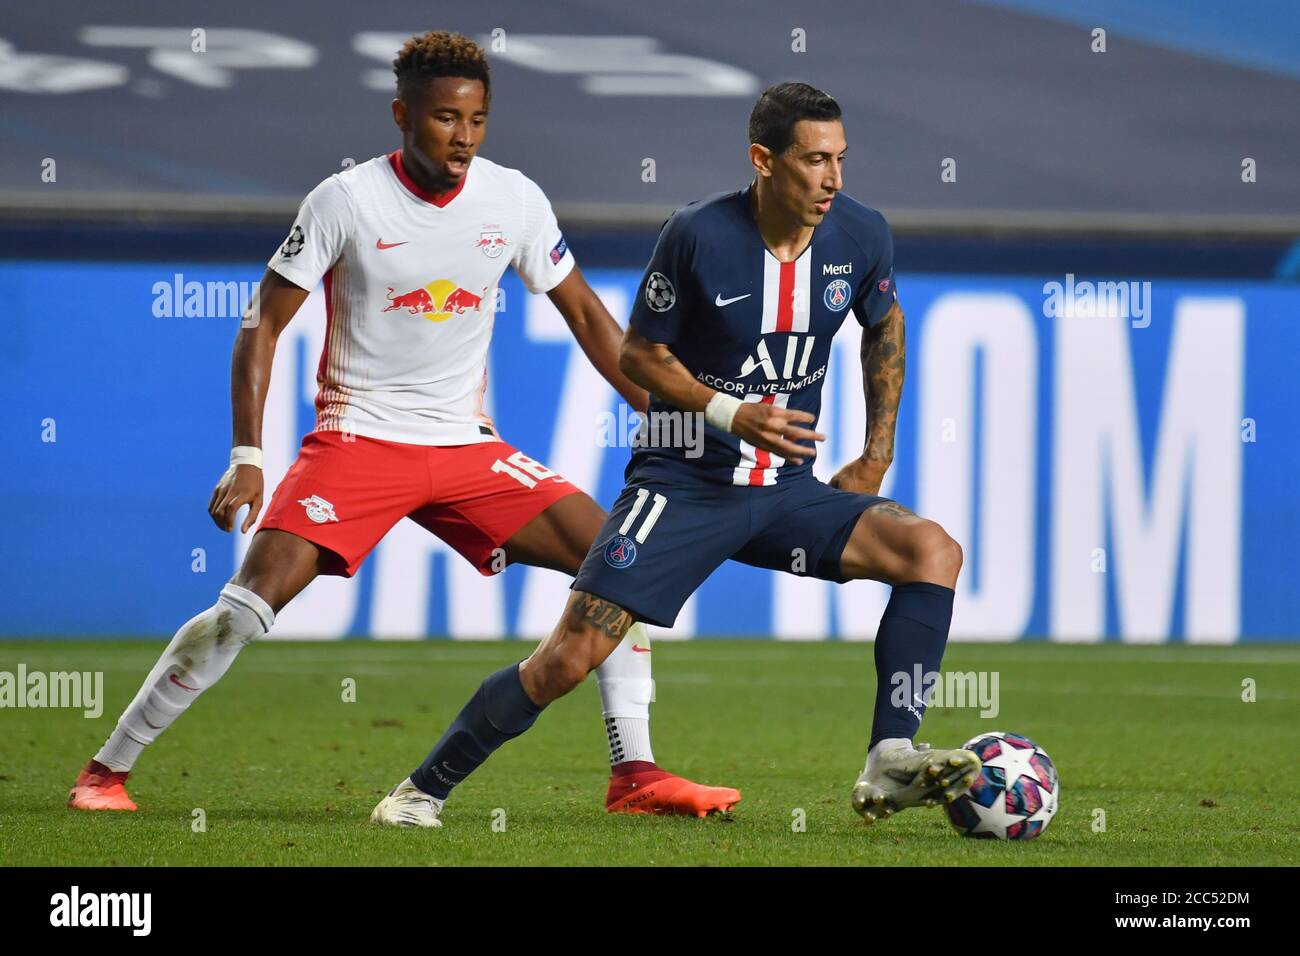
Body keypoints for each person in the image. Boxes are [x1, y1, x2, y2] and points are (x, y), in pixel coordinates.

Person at [67, 31, 739, 823]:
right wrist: (248, 455)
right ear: (402, 115)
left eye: (478, 120)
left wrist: (661, 414)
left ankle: (635, 775)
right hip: (358, 444)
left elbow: (590, 317)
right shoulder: (345, 200)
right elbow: (261, 325)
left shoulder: (514, 199)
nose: (463, 137)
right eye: (446, 118)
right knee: (245, 609)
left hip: (466, 448)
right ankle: (107, 770)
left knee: (621, 569)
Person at [373, 81, 980, 829]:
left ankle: (891, 753)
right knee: (571, 656)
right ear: (763, 160)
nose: (832, 179)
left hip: (787, 490)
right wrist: (732, 412)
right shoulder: (698, 234)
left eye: (840, 160)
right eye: (814, 160)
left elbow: (883, 324)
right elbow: (640, 355)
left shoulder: (861, 234)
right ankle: (419, 790)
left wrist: (876, 452)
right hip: (683, 484)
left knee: (931, 550)